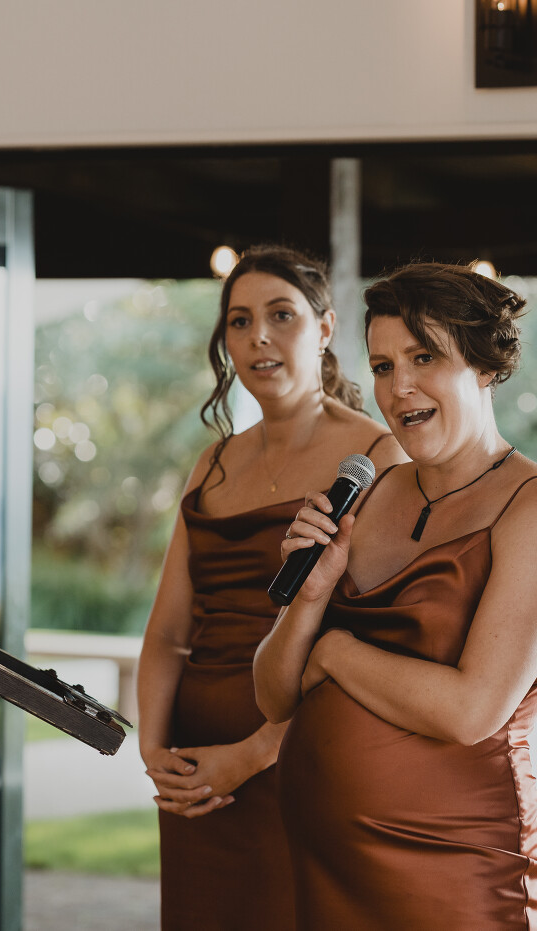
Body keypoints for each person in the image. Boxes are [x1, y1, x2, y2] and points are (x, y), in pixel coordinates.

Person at [255, 261, 537, 931]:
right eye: (382, 366)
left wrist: (335, 651)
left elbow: (472, 710)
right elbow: (272, 696)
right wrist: (311, 596)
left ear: (484, 364)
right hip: (330, 875)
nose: (398, 386)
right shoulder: (369, 490)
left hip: (460, 875)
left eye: (423, 357)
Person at [136, 245, 404, 931]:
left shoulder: (378, 458)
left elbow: (371, 647)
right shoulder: (212, 463)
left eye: (281, 315)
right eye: (240, 321)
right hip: (196, 777)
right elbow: (167, 632)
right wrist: (156, 753)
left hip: (297, 765)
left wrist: (253, 753)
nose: (258, 336)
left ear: (324, 327)